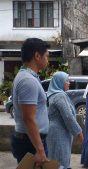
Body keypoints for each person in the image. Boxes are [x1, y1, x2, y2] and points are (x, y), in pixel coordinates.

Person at [11, 38, 49, 166]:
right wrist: (40, 149)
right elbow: (28, 118)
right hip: (30, 142)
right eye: (46, 56)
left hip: (30, 140)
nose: (47, 60)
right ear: (37, 56)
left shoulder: (28, 77)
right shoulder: (28, 81)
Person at [46, 72, 83, 169]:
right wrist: (78, 132)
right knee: (60, 161)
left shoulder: (54, 95)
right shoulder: (59, 96)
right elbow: (68, 116)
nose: (69, 83)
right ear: (60, 82)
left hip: (56, 131)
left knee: (56, 160)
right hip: (59, 133)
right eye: (66, 81)